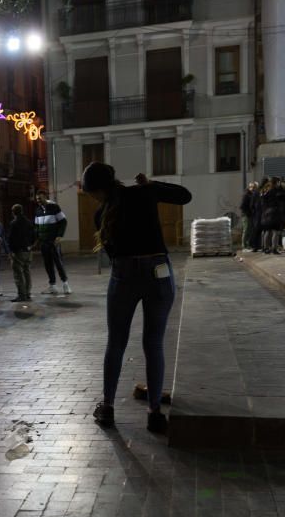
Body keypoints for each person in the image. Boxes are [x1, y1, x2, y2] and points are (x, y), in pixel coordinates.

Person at [82, 163, 191, 433]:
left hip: (124, 277)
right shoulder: (144, 193)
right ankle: (154, 412)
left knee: (116, 343)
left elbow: (113, 252)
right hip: (159, 274)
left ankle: (107, 408)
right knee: (153, 343)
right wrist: (151, 184)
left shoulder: (101, 214)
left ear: (96, 190)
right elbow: (185, 196)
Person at [34, 192, 71, 294]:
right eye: (37, 199)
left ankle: (65, 284)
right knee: (47, 264)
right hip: (43, 242)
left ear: (45, 197)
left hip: (53, 241)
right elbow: (36, 226)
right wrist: (36, 239)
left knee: (58, 263)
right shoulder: (38, 210)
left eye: (40, 198)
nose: (38, 201)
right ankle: (53, 285)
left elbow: (63, 221)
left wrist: (59, 235)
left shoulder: (54, 207)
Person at [7, 203, 35, 302]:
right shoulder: (29, 222)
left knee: (18, 274)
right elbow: (34, 235)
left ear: (13, 212)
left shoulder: (14, 223)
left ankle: (21, 295)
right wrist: (31, 245)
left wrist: (10, 251)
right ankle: (27, 293)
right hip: (28, 251)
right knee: (27, 272)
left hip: (18, 252)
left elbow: (11, 239)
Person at [260, 177, 285, 254]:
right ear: (277, 182)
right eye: (279, 182)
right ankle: (274, 249)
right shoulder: (276, 191)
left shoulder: (266, 190)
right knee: (276, 231)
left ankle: (265, 248)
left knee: (268, 231)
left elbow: (263, 201)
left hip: (266, 213)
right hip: (274, 213)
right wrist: (284, 187)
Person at [239, 182, 258, 251]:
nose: (254, 189)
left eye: (255, 188)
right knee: (246, 230)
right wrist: (248, 213)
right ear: (250, 187)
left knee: (249, 230)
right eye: (253, 187)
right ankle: (244, 245)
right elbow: (242, 206)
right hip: (246, 215)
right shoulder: (246, 195)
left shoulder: (251, 194)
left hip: (249, 215)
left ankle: (247, 244)